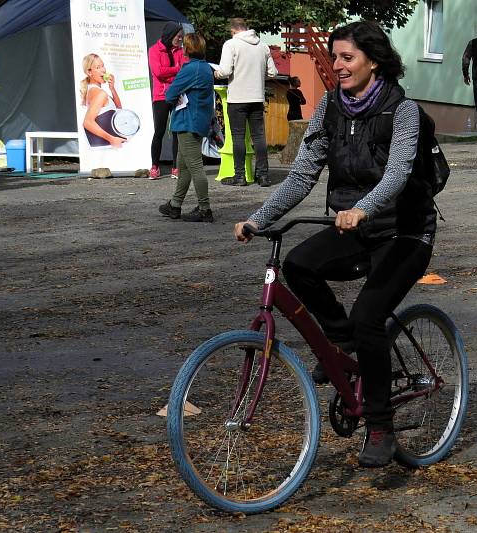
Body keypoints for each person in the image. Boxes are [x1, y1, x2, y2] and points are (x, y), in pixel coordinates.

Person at [233, 21, 436, 468]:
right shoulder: (328, 107)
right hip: (356, 226)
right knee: (300, 265)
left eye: (348, 58)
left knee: (369, 317)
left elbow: (398, 174)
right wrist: (258, 219)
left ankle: (380, 426)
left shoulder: (403, 111)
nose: (339, 65)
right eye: (336, 56)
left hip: (404, 229)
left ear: (374, 60)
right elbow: (304, 174)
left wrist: (363, 206)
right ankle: (343, 348)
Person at [158, 33, 215, 223]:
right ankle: (175, 205)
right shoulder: (206, 68)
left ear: (187, 49)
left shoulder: (190, 69)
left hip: (187, 121)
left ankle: (205, 209)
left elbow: (171, 94)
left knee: (195, 166)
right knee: (184, 166)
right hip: (198, 121)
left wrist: (175, 93)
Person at [214, 18, 277, 187]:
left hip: (237, 98)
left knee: (238, 137)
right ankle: (263, 176)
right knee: (259, 137)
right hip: (257, 97)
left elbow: (226, 70)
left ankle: (239, 176)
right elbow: (273, 72)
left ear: (233, 30)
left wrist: (217, 74)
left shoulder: (231, 44)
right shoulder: (263, 46)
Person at [148, 22, 187, 179]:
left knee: (177, 131)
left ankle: (175, 167)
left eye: (181, 37)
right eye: (178, 37)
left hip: (177, 95)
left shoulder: (180, 51)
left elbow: (184, 71)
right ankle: (155, 166)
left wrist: (173, 72)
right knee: (159, 131)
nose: (180, 40)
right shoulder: (154, 50)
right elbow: (158, 72)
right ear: (170, 35)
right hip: (161, 96)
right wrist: (176, 70)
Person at [79, 53, 125, 148]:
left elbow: (118, 109)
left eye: (103, 66)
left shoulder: (96, 91)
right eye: (98, 67)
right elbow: (87, 122)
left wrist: (112, 88)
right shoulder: (100, 93)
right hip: (105, 148)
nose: (103, 70)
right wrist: (112, 139)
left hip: (105, 146)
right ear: (89, 72)